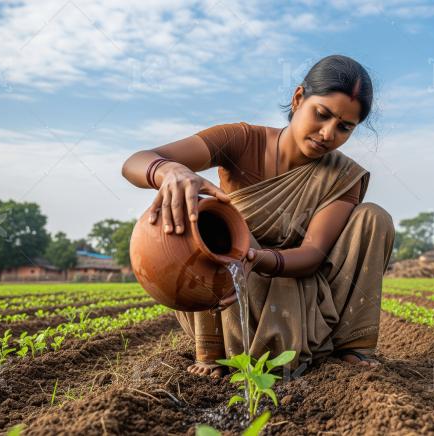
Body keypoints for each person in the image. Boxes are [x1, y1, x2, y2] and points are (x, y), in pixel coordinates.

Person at [121, 54, 395, 378]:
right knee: (195, 205)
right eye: (321, 115)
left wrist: (256, 258)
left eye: (344, 127)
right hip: (228, 289)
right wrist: (170, 171)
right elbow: (134, 163)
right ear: (298, 99)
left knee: (373, 217)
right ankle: (211, 348)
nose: (327, 133)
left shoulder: (342, 175)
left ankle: (351, 347)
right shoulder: (240, 140)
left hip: (298, 295)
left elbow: (311, 255)